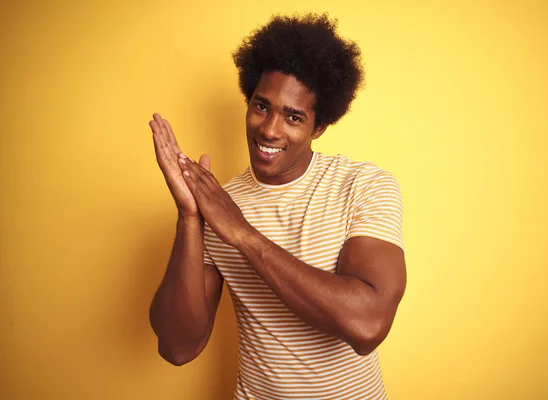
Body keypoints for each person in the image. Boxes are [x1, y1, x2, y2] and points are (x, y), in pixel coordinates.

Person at [149, 13, 407, 400]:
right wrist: (190, 217)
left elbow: (368, 324)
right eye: (261, 106)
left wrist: (244, 235)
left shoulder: (363, 185)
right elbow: (178, 347)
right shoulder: (216, 204)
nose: (269, 129)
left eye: (293, 116)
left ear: (318, 127)